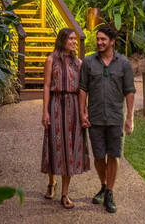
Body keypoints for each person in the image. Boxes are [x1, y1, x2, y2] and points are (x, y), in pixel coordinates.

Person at [79, 24, 135, 214]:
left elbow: (129, 91)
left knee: (114, 154)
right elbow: (83, 89)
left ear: (112, 42)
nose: (99, 42)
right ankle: (103, 185)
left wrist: (130, 118)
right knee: (98, 156)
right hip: (94, 116)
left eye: (103, 39)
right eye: (98, 39)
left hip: (116, 116)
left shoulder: (124, 64)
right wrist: (82, 112)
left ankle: (109, 192)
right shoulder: (88, 62)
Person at [41, 27, 90, 209]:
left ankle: (65, 193)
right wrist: (45, 111)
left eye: (74, 39)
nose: (73, 42)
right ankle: (51, 182)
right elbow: (46, 86)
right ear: (62, 40)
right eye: (70, 39)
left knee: (70, 148)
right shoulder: (51, 60)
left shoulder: (78, 62)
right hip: (56, 104)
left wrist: (84, 111)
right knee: (55, 145)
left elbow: (83, 89)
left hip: (73, 106)